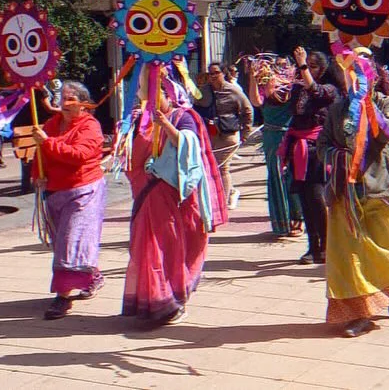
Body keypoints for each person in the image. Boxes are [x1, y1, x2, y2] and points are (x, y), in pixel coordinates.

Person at [318, 49, 389, 338]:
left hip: (382, 189)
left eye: (362, 72)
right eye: (351, 73)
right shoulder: (337, 109)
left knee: (388, 251)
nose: (357, 79)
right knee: (350, 255)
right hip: (345, 192)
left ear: (372, 77)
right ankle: (362, 313)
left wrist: (366, 108)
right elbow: (323, 144)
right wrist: (339, 156)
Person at [122, 70, 227, 326]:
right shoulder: (141, 120)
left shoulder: (183, 116)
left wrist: (166, 125)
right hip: (148, 192)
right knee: (147, 245)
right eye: (144, 92)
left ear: (168, 93)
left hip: (172, 195)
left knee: (166, 247)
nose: (146, 97)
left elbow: (189, 147)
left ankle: (168, 302)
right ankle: (152, 300)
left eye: (153, 91)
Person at [26, 81, 107, 320]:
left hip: (83, 191)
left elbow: (78, 155)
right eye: (62, 99)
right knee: (67, 241)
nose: (65, 104)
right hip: (55, 192)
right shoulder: (52, 124)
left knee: (70, 242)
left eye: (71, 100)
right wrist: (37, 174)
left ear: (84, 104)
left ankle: (62, 296)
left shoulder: (90, 126)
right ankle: (91, 276)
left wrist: (47, 142)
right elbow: (40, 153)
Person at [281, 47, 344, 264]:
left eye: (312, 66)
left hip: (316, 148)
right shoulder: (298, 89)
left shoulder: (330, 89)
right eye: (306, 66)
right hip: (297, 147)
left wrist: (303, 65)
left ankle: (327, 245)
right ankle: (313, 246)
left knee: (317, 197)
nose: (305, 70)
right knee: (304, 198)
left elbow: (316, 91)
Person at [247, 56, 304, 237]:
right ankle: (281, 223)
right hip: (272, 139)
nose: (279, 70)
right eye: (276, 67)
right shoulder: (265, 91)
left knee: (292, 178)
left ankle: (298, 219)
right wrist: (252, 78)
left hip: (290, 138)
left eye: (283, 66)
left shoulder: (293, 90)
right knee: (276, 178)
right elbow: (256, 101)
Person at [189, 59, 254, 210]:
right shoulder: (203, 91)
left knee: (222, 167)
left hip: (228, 134)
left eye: (216, 73)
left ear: (223, 73)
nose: (213, 76)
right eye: (210, 73)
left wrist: (245, 133)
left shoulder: (233, 90)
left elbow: (247, 110)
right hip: (209, 134)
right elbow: (194, 110)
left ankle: (222, 202)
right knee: (211, 167)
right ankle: (229, 192)